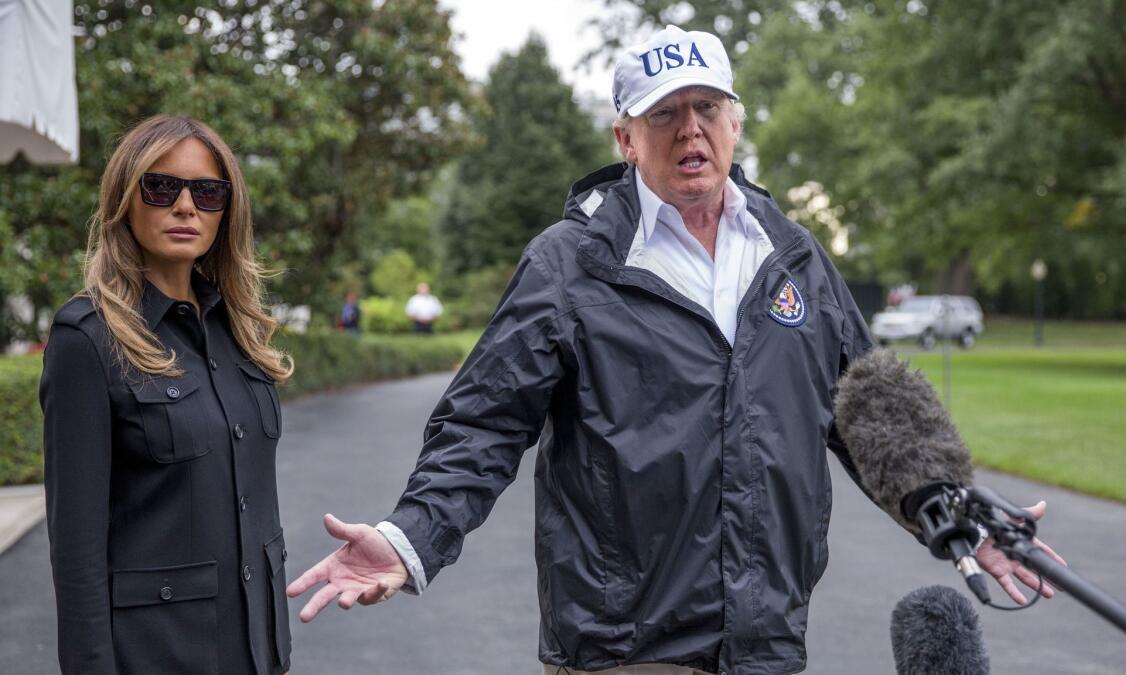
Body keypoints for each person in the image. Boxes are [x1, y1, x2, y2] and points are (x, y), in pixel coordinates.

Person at [287, 26, 1064, 675]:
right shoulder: (571, 262)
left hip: (767, 642)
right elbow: (482, 425)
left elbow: (871, 410)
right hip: (626, 648)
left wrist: (963, 515)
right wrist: (411, 534)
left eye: (706, 108)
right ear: (625, 137)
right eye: (664, 114)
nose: (689, 129)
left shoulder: (793, 257)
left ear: (735, 125)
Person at [40, 115, 294, 674]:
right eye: (161, 187)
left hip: (256, 651)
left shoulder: (240, 333)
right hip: (157, 655)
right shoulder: (87, 339)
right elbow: (77, 553)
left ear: (227, 210)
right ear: (126, 199)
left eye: (207, 192)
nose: (186, 207)